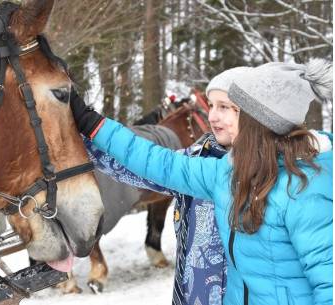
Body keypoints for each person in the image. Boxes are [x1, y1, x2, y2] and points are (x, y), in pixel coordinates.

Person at [72, 59, 333, 305]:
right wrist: (89, 123)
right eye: (212, 106)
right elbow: (153, 161)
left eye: (229, 107)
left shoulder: (306, 187)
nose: (213, 117)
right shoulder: (225, 172)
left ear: (261, 123)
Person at [85, 67, 249, 305]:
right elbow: (141, 162)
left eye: (223, 107)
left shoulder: (286, 177)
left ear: (252, 112)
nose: (212, 117)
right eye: (211, 106)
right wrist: (83, 131)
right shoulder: (198, 160)